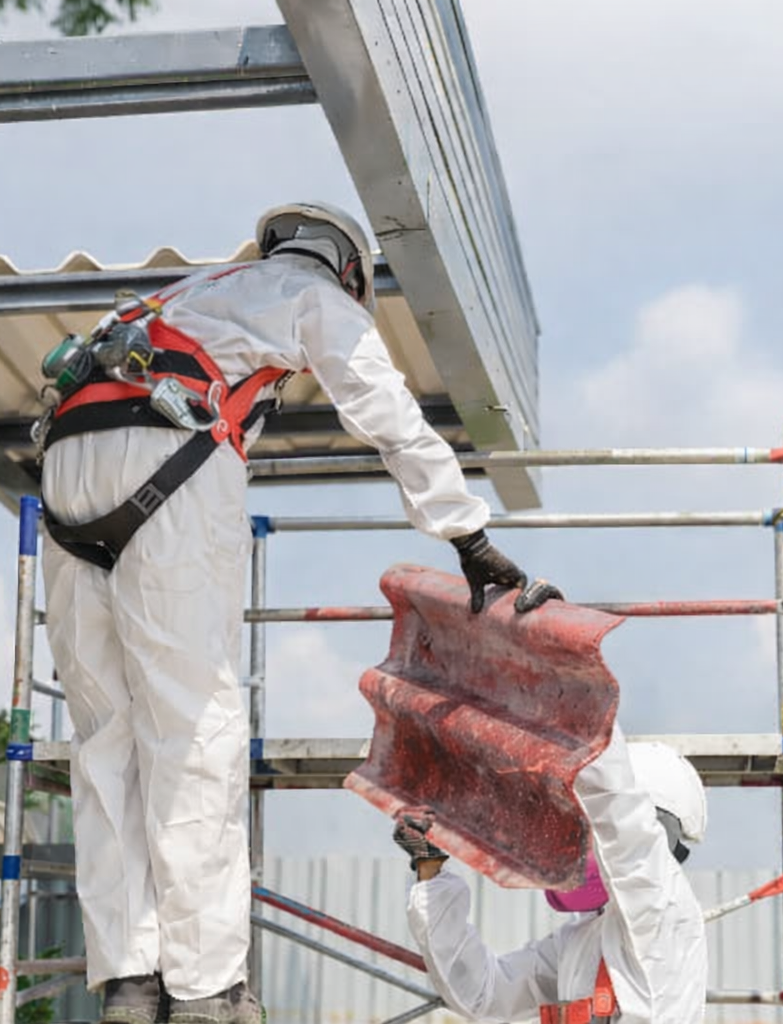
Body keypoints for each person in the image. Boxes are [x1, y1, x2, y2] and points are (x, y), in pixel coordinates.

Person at [37, 201, 558, 1024]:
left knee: (105, 739)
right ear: (348, 272)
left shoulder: (180, 295)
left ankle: (130, 981)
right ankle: (207, 988)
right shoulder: (304, 292)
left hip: (65, 479)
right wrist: (465, 533)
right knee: (195, 725)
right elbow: (381, 406)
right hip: (166, 465)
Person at [396, 727, 707, 1024]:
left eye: (582, 824)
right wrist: (429, 866)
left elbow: (617, 808)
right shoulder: (582, 941)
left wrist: (573, 706)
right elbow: (483, 994)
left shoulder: (662, 914)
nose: (570, 841)